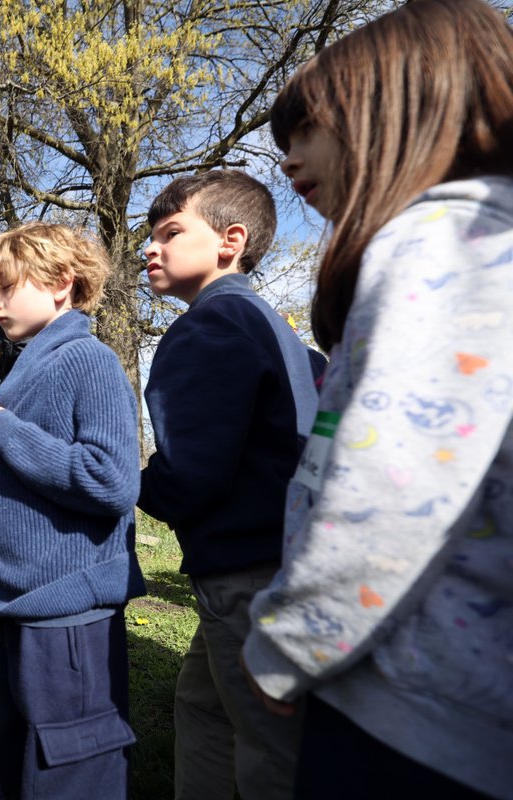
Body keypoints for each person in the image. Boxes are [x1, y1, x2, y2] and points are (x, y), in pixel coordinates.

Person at [240, 3, 513, 798]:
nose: (288, 160)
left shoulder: (441, 246)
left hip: (403, 706)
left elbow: (392, 484)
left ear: (407, 104)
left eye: (309, 127)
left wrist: (291, 644)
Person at [137, 169, 322, 800]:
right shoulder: (268, 322)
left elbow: (191, 473)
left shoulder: (206, 328)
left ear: (229, 239)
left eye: (169, 232)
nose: (149, 249)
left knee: (271, 747)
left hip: (244, 571)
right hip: (278, 555)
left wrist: (127, 484)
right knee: (203, 704)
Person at [0, 222, 143, 800]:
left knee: (70, 765)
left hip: (68, 612)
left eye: (6, 287)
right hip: (21, 603)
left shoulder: (88, 359)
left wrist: (2, 429)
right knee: (20, 749)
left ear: (62, 283)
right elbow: (22, 479)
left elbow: (111, 481)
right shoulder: (29, 367)